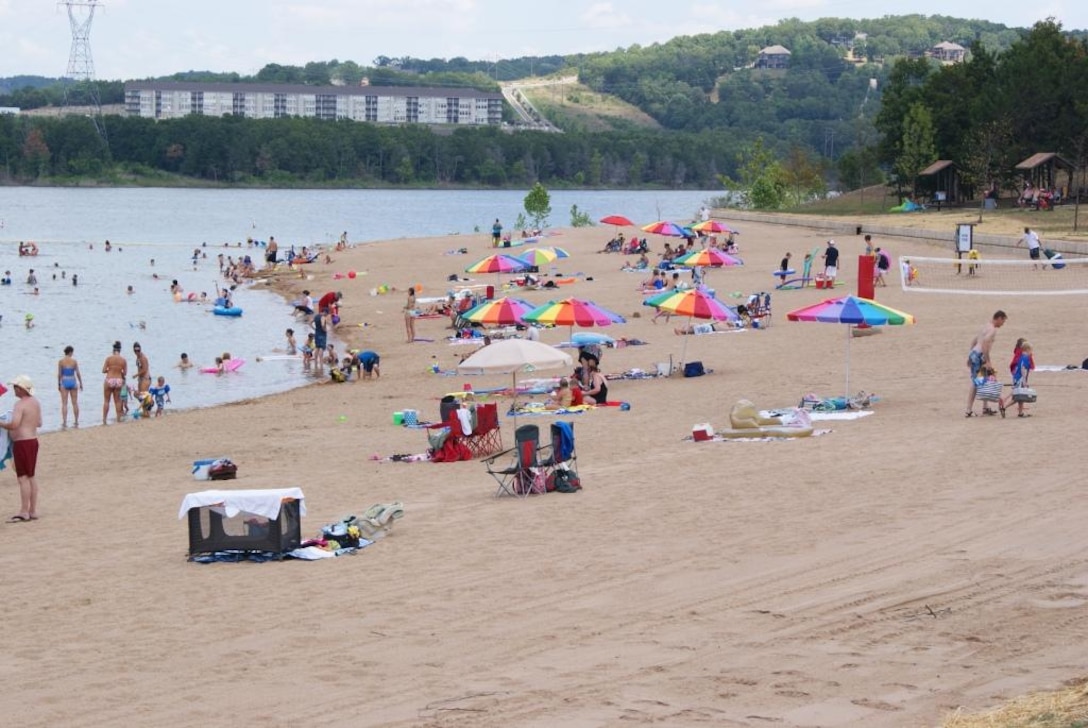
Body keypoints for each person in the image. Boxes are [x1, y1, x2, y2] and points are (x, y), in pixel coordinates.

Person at [1, 375, 42, 523]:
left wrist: (1, 423)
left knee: (22, 478)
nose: (14, 389)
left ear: (22, 389)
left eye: (16, 387)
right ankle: (32, 510)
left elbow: (14, 425)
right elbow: (39, 423)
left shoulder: (20, 405)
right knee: (31, 476)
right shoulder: (35, 402)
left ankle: (24, 511)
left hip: (22, 443)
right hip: (33, 441)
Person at [965, 310, 1007, 417]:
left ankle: (985, 407)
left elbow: (975, 340)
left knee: (986, 379)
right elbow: (985, 343)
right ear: (999, 318)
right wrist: (987, 361)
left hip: (974, 354)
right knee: (976, 383)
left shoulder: (986, 326)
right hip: (980, 356)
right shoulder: (992, 330)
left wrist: (970, 355)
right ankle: (968, 410)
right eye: (1003, 321)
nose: (1003, 324)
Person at [57, 345, 83, 428]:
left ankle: (64, 422)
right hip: (73, 381)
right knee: (75, 403)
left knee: (64, 403)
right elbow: (78, 373)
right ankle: (76, 421)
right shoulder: (74, 361)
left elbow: (59, 374)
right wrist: (81, 383)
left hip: (65, 381)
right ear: (70, 352)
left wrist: (59, 383)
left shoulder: (61, 361)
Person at [102, 341, 128, 425]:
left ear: (113, 351)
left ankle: (104, 420)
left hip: (109, 379)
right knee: (117, 401)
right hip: (118, 380)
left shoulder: (109, 358)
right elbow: (125, 373)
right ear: (120, 351)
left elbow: (103, 370)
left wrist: (109, 370)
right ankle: (118, 419)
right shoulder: (123, 360)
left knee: (106, 401)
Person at [1010, 341, 1035, 418]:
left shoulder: (1021, 357)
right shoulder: (1025, 358)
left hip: (1018, 378)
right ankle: (1004, 407)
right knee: (1018, 397)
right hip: (1020, 379)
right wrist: (1024, 381)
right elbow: (1023, 369)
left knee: (1021, 396)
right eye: (1031, 350)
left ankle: (1020, 412)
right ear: (1027, 350)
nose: (1032, 352)